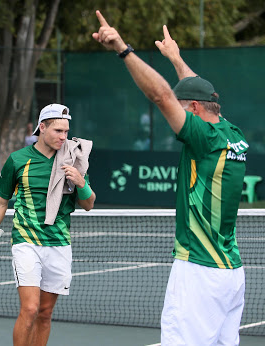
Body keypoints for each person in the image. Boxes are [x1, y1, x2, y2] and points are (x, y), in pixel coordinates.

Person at [92, 11, 248, 345]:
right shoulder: (230, 132)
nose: (174, 114)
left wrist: (122, 48)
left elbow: (161, 95)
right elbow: (202, 92)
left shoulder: (202, 138)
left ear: (192, 109)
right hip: (232, 273)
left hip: (199, 272)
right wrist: (176, 60)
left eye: (182, 108)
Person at [0, 103, 96, 346]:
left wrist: (81, 181)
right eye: (58, 131)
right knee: (29, 309)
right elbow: (0, 203)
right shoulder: (18, 160)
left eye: (66, 131)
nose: (64, 137)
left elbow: (89, 204)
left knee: (45, 313)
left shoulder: (73, 158)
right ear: (42, 127)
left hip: (59, 243)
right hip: (26, 242)